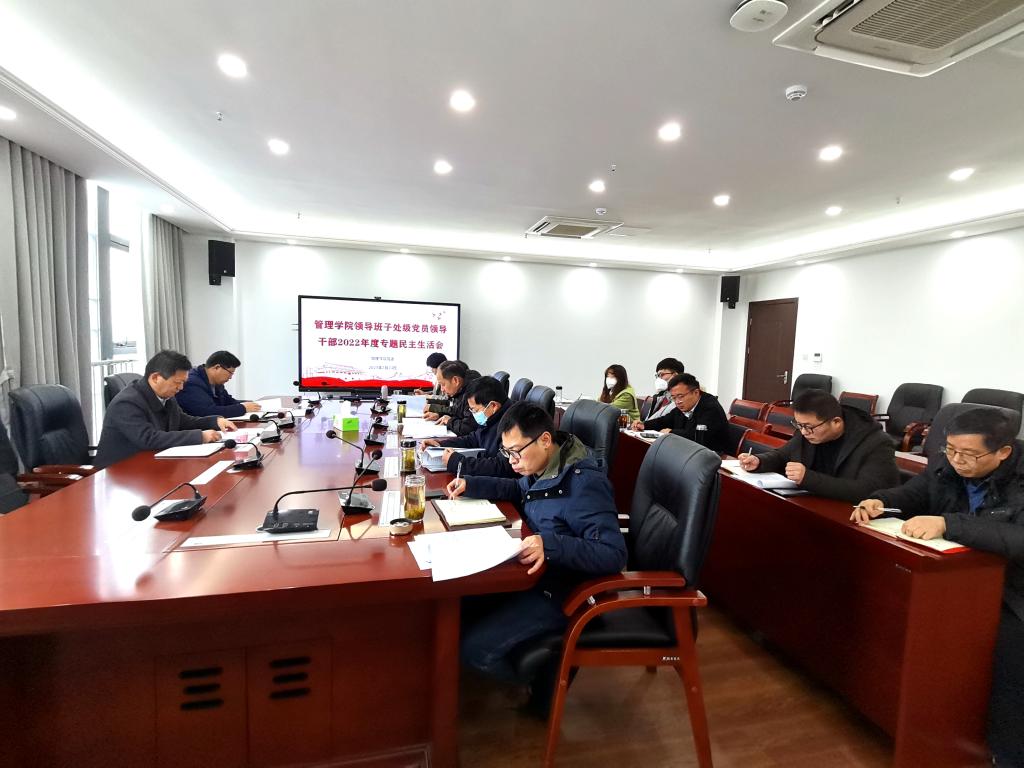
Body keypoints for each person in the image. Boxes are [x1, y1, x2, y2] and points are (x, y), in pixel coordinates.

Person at [850, 408, 1024, 766]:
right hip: (961, 582)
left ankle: (1007, 755)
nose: (957, 461)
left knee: (1007, 661)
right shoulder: (948, 466)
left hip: (1013, 591)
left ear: (1004, 452)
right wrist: (882, 501)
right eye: (951, 450)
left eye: (969, 455)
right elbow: (914, 492)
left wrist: (948, 523)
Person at [448, 402, 626, 706]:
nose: (512, 461)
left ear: (545, 439)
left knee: (474, 650)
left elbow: (613, 554)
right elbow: (520, 490)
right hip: (532, 575)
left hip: (563, 591)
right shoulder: (545, 464)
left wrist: (549, 543)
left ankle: (541, 678)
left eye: (516, 452)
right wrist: (472, 484)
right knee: (456, 608)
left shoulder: (584, 483)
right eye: (507, 453)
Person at [736, 390, 899, 503]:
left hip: (851, 516)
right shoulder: (807, 431)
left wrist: (808, 478)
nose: (804, 432)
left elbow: (868, 491)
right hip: (814, 506)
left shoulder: (875, 443)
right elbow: (782, 455)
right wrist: (759, 461)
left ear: (836, 422)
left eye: (808, 427)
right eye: (799, 425)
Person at [95, 350, 236, 468]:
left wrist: (214, 421)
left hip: (153, 464)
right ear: (156, 378)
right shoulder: (127, 402)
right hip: (121, 471)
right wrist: (200, 436)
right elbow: (149, 438)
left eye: (183, 382)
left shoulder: (166, 396)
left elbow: (184, 421)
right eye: (177, 382)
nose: (181, 388)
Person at [421, 376, 517, 478]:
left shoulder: (513, 425)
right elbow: (473, 439)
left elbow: (501, 467)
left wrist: (459, 463)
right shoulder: (492, 417)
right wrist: (440, 444)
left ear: (493, 406)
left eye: (475, 410)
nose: (473, 414)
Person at [630, 373, 730, 453]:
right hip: (688, 451)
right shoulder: (684, 405)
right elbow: (665, 420)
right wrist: (644, 425)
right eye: (674, 398)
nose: (677, 401)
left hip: (713, 456)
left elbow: (698, 435)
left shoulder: (710, 407)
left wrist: (671, 432)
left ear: (696, 392)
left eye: (681, 396)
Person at [175, 350, 261, 418]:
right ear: (217, 367)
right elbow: (207, 412)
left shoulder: (216, 382)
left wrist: (253, 404)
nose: (231, 377)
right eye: (230, 373)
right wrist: (243, 408)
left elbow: (228, 401)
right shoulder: (192, 382)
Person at [424, 360, 476, 435]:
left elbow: (467, 428)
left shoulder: (472, 393)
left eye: (443, 384)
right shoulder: (460, 390)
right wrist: (440, 416)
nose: (442, 389)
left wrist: (449, 421)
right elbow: (458, 411)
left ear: (455, 380)